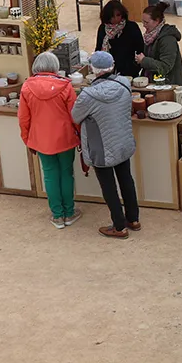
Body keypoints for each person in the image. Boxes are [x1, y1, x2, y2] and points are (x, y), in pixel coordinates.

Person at [71, 50, 138, 238]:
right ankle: (133, 218)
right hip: (123, 140)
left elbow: (75, 116)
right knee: (126, 180)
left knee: (108, 187)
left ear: (94, 70)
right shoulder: (124, 83)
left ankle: (119, 226)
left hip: (101, 146)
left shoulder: (88, 95)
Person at [18, 51, 80, 229]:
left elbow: (23, 118)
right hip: (65, 138)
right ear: (55, 67)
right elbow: (75, 115)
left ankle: (57, 216)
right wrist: (79, 135)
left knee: (50, 175)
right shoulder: (66, 87)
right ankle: (69, 212)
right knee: (66, 174)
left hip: (40, 140)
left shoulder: (27, 87)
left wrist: (27, 139)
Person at [135, 2, 182, 91]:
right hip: (156, 84)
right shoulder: (150, 37)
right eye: (143, 21)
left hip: (169, 87)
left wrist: (144, 60)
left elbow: (165, 67)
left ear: (157, 21)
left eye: (146, 22)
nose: (143, 25)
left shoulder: (168, 40)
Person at [94, 0, 144, 79]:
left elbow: (140, 48)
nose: (116, 19)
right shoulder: (103, 28)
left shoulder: (131, 27)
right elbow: (98, 49)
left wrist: (135, 67)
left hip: (128, 72)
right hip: (107, 70)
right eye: (112, 16)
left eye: (118, 15)